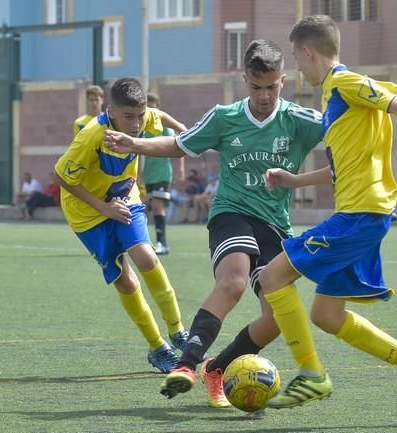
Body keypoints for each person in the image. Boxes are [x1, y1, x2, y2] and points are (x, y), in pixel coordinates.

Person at [104, 40, 324, 408]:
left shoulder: (299, 120)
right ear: (244, 80)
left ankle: (216, 368)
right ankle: (186, 365)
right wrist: (133, 143)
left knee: (275, 318)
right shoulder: (225, 116)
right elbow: (179, 144)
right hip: (231, 213)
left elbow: (348, 131)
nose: (265, 95)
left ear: (283, 80)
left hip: (275, 224)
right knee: (234, 281)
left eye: (272, 86)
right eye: (256, 87)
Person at [254, 15, 397, 413]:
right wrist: (294, 181)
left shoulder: (344, 83)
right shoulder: (335, 96)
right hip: (362, 213)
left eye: (296, 57)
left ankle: (312, 376)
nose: (297, 66)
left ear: (309, 52)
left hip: (361, 215)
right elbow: (341, 168)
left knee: (272, 275)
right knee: (326, 314)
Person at [54, 77, 189, 373]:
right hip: (87, 214)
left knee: (147, 256)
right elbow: (63, 177)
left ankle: (178, 330)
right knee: (126, 280)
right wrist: (102, 207)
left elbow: (159, 116)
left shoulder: (141, 117)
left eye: (140, 116)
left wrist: (181, 129)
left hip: (125, 198)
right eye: (129, 117)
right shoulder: (91, 135)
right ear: (111, 110)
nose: (136, 124)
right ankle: (158, 348)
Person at [140, 92, 186, 255]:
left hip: (163, 173)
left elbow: (177, 147)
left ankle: (162, 243)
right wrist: (138, 174)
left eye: (153, 106)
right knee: (153, 207)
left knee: (158, 206)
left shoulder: (164, 128)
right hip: (149, 175)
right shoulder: (142, 127)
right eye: (147, 106)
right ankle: (157, 241)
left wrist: (180, 170)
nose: (150, 109)